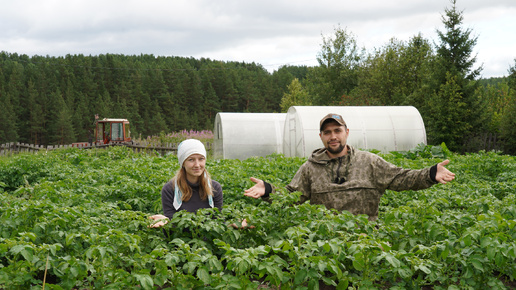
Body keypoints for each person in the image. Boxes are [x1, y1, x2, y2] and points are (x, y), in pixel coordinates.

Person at [244, 113, 456, 221]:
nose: (333, 136)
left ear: (347, 132)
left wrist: (429, 174)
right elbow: (292, 197)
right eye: (327, 133)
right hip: (323, 242)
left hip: (365, 241)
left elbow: (401, 178)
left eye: (337, 130)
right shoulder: (310, 168)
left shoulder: (369, 162)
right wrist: (269, 190)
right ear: (321, 137)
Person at [149, 139, 223, 227]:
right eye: (191, 160)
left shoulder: (215, 188)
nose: (197, 165)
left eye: (201, 159)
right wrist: (166, 220)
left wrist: (232, 223)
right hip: (181, 239)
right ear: (183, 163)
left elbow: (218, 221)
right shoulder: (169, 189)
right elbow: (173, 224)